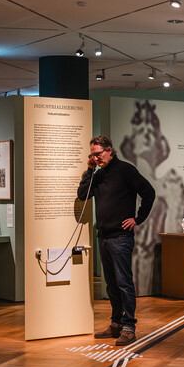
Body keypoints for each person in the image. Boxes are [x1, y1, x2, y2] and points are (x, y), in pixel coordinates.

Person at [77, 135, 155, 346]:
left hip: (121, 237)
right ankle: (116, 323)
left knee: (124, 284)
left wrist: (138, 219)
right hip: (103, 236)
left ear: (110, 150)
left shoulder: (126, 170)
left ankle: (129, 328)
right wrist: (90, 170)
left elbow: (149, 192)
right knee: (111, 284)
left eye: (98, 154)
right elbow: (83, 195)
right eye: (93, 155)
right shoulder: (98, 175)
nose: (96, 158)